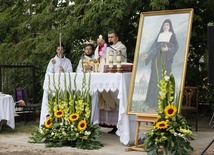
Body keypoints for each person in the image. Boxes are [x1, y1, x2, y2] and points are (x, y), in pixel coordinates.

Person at [142, 19, 179, 108]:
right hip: (157, 59)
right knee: (154, 78)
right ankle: (151, 102)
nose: (165, 26)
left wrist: (168, 49)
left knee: (163, 78)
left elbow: (176, 47)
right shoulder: (160, 35)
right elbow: (154, 48)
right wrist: (148, 54)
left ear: (170, 26)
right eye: (164, 25)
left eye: (167, 25)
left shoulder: (172, 35)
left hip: (166, 60)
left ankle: (162, 102)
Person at [98, 30, 127, 134]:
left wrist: (106, 48)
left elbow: (116, 57)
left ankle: (122, 125)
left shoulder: (121, 47)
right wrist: (102, 48)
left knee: (119, 100)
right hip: (109, 76)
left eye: (112, 37)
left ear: (117, 38)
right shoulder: (108, 48)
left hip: (118, 76)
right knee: (112, 99)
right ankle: (115, 124)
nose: (110, 39)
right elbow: (101, 57)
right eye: (109, 37)